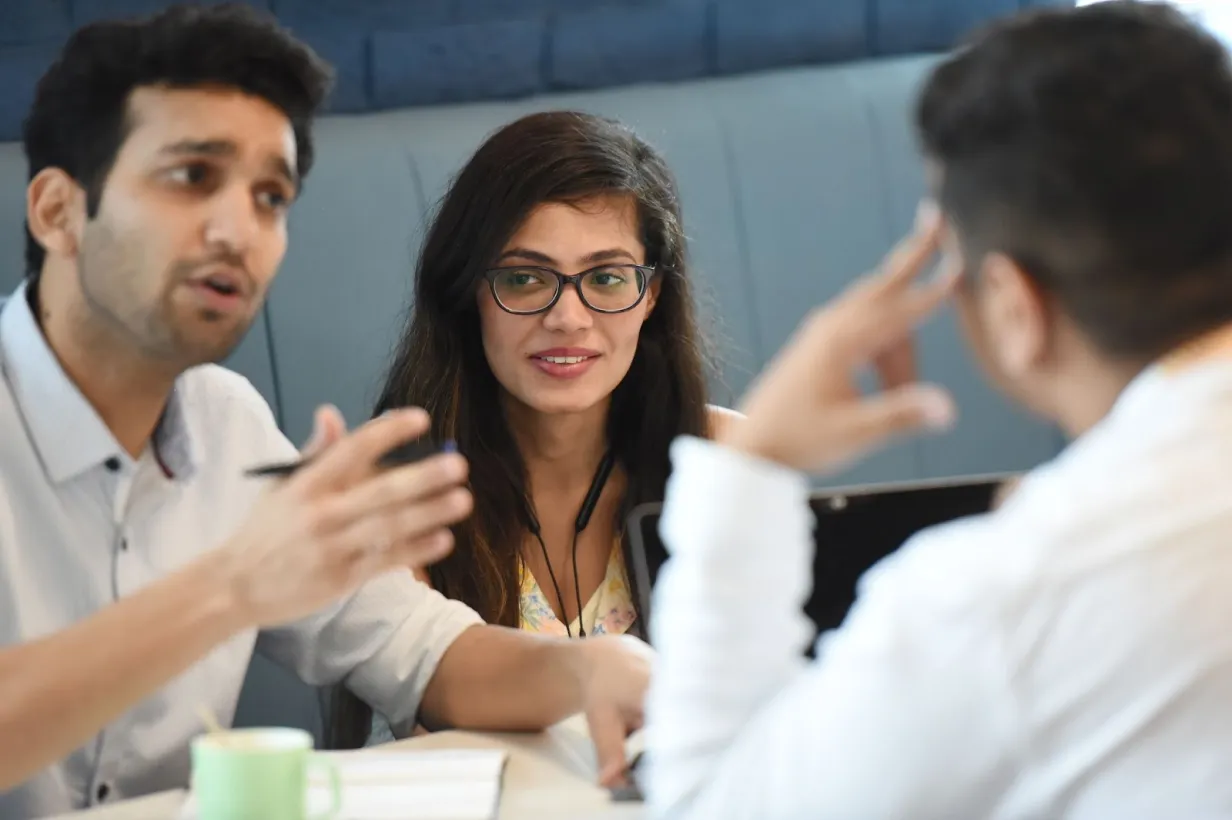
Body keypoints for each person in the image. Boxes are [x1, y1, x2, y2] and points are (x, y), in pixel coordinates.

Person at [0, 5, 648, 815]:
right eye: (192, 176)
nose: (240, 229)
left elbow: (423, 652)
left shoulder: (224, 423)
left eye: (270, 195)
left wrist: (595, 670)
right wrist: (230, 588)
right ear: (58, 210)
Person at [644, 2, 1232, 818]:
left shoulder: (1014, 594)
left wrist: (750, 468)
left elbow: (713, 804)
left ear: (1015, 306)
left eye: (955, 265)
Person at [327, 111, 739, 750]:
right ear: (470, 292)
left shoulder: (725, 459)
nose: (568, 318)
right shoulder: (396, 474)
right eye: (524, 278)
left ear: (652, 295)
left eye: (606, 278)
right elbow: (438, 713)